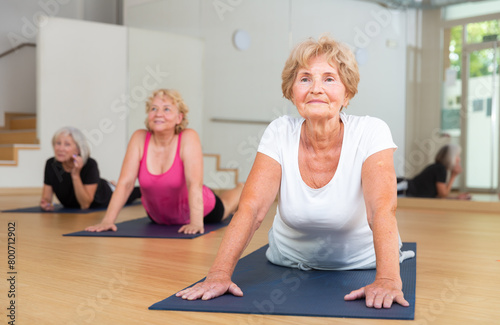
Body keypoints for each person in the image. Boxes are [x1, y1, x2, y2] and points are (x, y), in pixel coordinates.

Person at [176, 35, 414, 309]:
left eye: (329, 78)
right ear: (291, 91)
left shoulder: (371, 132)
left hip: (362, 262)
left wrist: (386, 279)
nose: (316, 88)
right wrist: (218, 274)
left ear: (347, 94)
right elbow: (251, 210)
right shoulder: (279, 132)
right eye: (304, 79)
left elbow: (382, 209)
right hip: (286, 260)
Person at [85, 89, 244, 234]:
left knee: (226, 206)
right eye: (154, 109)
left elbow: (193, 184)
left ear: (179, 117)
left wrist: (196, 223)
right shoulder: (139, 138)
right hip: (158, 218)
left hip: (202, 211)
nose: (158, 113)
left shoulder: (188, 137)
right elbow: (125, 184)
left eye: (166, 109)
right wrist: (107, 221)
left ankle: (240, 188)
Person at [41, 127, 141, 211]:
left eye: (67, 144)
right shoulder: (51, 164)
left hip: (106, 195)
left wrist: (75, 175)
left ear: (78, 149)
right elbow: (47, 199)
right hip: (94, 187)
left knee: (134, 192)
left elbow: (85, 205)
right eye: (58, 143)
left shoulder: (90, 164)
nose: (60, 148)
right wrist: (46, 204)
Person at [397, 144, 470, 199]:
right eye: (457, 156)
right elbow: (443, 194)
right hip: (404, 187)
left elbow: (438, 195)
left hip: (407, 190)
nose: (459, 159)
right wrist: (453, 176)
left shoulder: (439, 168)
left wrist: (456, 197)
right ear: (451, 158)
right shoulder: (440, 169)